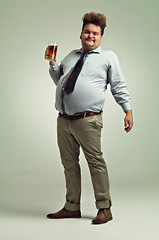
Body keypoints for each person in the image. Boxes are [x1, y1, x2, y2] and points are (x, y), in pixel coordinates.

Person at [46, 12, 133, 224]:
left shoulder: (108, 57)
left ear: (101, 37)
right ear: (81, 34)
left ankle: (105, 208)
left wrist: (127, 109)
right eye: (87, 31)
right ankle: (71, 207)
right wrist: (53, 65)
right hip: (64, 120)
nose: (90, 36)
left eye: (95, 33)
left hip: (88, 120)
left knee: (95, 163)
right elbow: (61, 81)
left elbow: (118, 86)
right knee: (69, 164)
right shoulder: (71, 55)